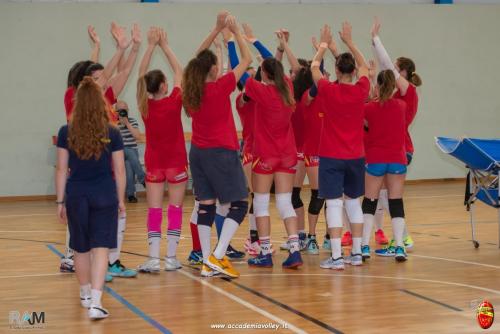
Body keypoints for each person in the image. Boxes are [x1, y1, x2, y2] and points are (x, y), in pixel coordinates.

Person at [183, 12, 251, 278]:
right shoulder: (220, 87)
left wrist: (215, 31)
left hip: (198, 154)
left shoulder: (190, 89)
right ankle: (218, 256)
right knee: (239, 204)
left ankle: (207, 262)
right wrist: (235, 33)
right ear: (213, 69)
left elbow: (194, 61)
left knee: (206, 206)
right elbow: (246, 60)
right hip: (221, 153)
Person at [60, 23, 130, 280]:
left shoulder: (96, 99)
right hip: (81, 163)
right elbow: (97, 77)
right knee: (78, 214)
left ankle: (106, 261)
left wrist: (102, 47)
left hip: (98, 165)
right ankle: (71, 257)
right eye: (93, 77)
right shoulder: (72, 95)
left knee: (94, 213)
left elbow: (100, 76)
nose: (100, 79)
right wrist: (115, 49)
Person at [55, 77, 126, 319]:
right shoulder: (112, 132)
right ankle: (96, 302)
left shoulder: (66, 131)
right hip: (105, 194)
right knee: (101, 249)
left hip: (76, 195)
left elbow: (61, 169)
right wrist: (121, 199)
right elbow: (120, 170)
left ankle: (85, 294)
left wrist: (60, 201)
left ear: (78, 104)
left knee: (80, 248)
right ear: (100, 103)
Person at [312, 23, 370, 270]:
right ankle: (356, 253)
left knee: (334, 205)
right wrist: (349, 42)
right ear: (354, 72)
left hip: (331, 156)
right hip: (356, 156)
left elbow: (314, 67)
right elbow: (365, 67)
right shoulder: (361, 90)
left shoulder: (328, 89)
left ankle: (336, 257)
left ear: (336, 70)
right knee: (353, 204)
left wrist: (323, 46)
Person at [244, 54, 303, 269]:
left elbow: (239, 69)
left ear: (265, 74)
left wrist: (234, 39)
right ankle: (295, 251)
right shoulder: (287, 87)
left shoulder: (262, 92)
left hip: (266, 155)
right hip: (287, 154)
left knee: (260, 203)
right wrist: (256, 41)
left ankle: (266, 253)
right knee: (285, 202)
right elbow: (272, 63)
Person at [136, 26, 187, 272]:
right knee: (175, 209)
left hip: (154, 165)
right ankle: (171, 258)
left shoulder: (145, 106)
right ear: (165, 86)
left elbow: (140, 75)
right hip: (176, 162)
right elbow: (180, 70)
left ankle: (154, 258)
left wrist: (149, 45)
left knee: (155, 210)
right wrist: (164, 45)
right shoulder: (175, 101)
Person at [370, 18, 422, 256]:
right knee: (385, 196)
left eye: (396, 68)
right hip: (392, 150)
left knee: (386, 197)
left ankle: (403, 239)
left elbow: (387, 65)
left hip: (400, 150)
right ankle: (399, 239)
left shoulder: (408, 92)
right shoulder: (394, 95)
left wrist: (376, 39)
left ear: (403, 72)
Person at [362, 70, 409, 262]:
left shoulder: (369, 108)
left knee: (370, 202)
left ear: (378, 85)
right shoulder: (402, 106)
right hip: (397, 159)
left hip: (375, 158)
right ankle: (399, 246)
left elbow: (365, 125)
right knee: (396, 202)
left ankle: (364, 246)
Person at [116, 100, 145, 203]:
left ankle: (130, 195)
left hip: (132, 152)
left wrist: (127, 123)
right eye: (120, 110)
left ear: (127, 110)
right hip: (118, 154)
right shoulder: (114, 124)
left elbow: (137, 137)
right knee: (127, 151)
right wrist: (117, 123)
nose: (122, 112)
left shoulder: (132, 121)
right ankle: (143, 179)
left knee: (129, 166)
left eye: (124, 110)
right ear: (116, 112)